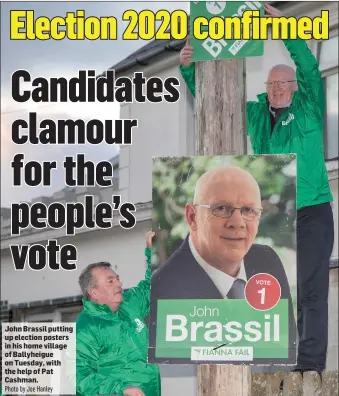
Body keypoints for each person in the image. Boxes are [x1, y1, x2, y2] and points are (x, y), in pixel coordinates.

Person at [178, 3, 334, 377]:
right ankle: (278, 355)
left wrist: (287, 29)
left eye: (284, 83)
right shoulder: (256, 115)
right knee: (274, 286)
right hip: (277, 210)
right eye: (272, 84)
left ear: (295, 89)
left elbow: (310, 68)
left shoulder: (310, 106)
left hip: (313, 209)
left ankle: (310, 365)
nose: (277, 88)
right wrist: (187, 67)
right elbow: (213, 100)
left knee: (312, 288)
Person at [149, 166, 296, 365]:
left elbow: (285, 355)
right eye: (221, 208)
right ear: (192, 217)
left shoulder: (267, 261)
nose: (238, 222)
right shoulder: (160, 296)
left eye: (249, 210)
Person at [75, 231, 161, 396]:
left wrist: (151, 251)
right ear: (94, 292)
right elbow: (81, 378)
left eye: (117, 278)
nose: (119, 283)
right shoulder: (85, 328)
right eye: (111, 281)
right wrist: (121, 389)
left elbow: (151, 286)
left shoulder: (129, 305)